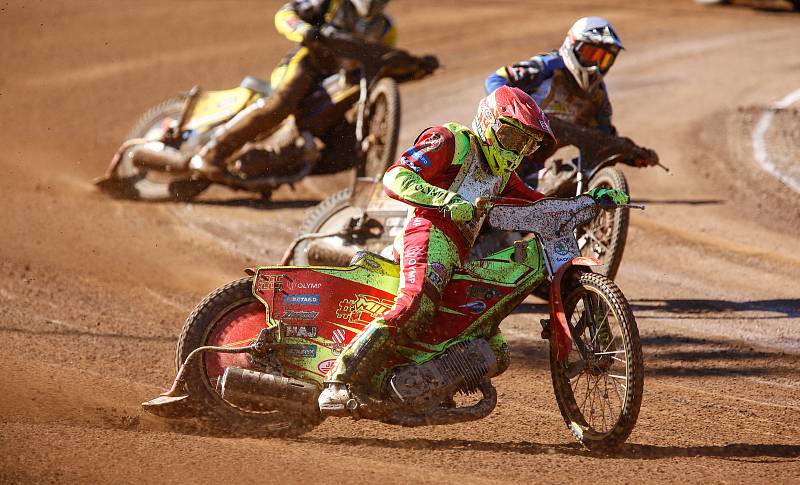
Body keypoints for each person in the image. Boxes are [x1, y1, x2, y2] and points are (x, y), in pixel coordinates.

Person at [318, 86, 558, 412]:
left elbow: (540, 206)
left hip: (457, 255)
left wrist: (591, 202)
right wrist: (445, 199)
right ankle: (339, 380)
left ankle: (422, 384)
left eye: (527, 145)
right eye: (513, 139)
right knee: (416, 304)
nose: (518, 152)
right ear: (490, 122)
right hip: (426, 233)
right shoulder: (452, 141)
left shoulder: (505, 177)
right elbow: (396, 177)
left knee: (492, 344)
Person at [188, 0, 397, 178]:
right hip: (306, 65)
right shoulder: (329, 3)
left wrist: (419, 65)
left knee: (348, 148)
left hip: (337, 85)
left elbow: (385, 61)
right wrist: (303, 29)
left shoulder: (386, 28)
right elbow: (286, 13)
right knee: (280, 105)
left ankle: (279, 169)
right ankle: (211, 153)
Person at [484, 17, 657, 182]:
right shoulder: (548, 66)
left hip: (533, 164)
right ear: (573, 45)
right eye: (591, 53)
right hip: (498, 146)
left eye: (603, 59)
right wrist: (511, 109)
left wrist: (634, 155)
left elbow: (604, 138)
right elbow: (495, 80)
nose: (595, 64)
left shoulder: (597, 95)